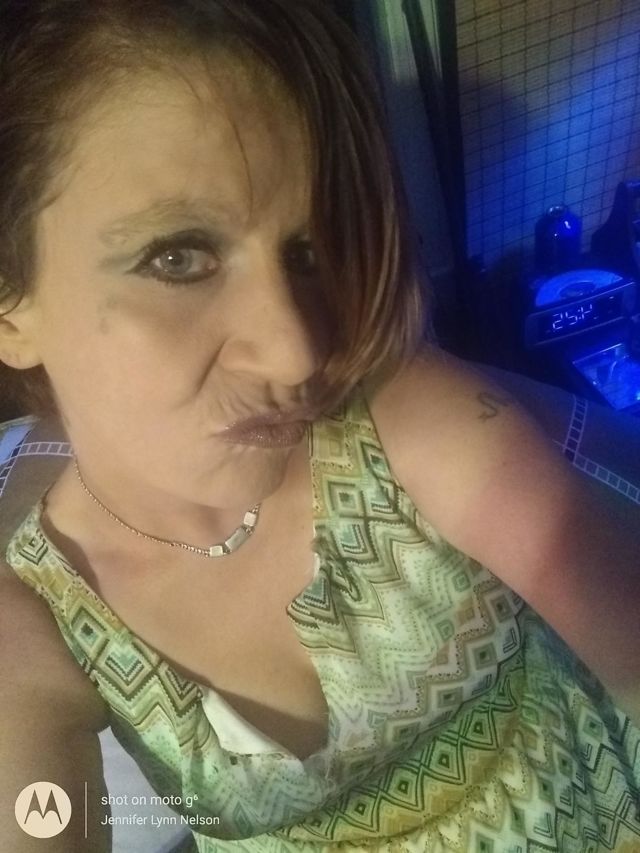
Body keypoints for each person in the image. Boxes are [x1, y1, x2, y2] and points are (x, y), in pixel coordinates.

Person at [0, 1, 638, 850]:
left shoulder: (405, 423)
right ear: (12, 307)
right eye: (177, 257)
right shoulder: (35, 624)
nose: (298, 351)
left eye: (306, 251)